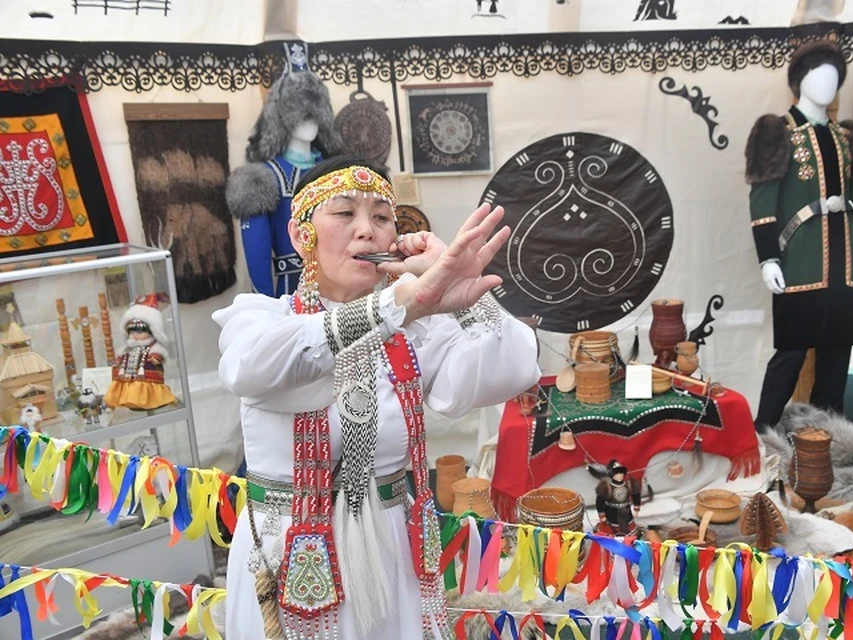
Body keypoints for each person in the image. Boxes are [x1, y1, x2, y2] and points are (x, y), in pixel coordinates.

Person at [213, 156, 540, 640]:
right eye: (344, 213)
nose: (367, 231)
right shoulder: (264, 318)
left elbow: (511, 368)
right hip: (292, 551)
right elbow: (254, 367)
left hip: (391, 547)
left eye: (382, 217)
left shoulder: (414, 332)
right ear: (304, 234)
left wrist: (462, 292)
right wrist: (397, 305)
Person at [744, 39, 853, 429]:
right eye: (818, 75)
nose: (827, 85)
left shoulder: (845, 138)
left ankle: (824, 439)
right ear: (799, 81)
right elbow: (762, 203)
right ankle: (762, 434)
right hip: (800, 260)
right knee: (791, 354)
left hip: (844, 264)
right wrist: (768, 258)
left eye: (834, 78)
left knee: (836, 359)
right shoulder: (777, 133)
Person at [226, 42, 342, 298]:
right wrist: (266, 306)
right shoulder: (263, 179)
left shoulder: (335, 173)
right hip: (291, 293)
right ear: (282, 118)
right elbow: (257, 252)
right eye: (302, 115)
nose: (309, 123)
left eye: (314, 115)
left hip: (342, 290)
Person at [104, 294, 177, 411]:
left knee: (147, 389)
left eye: (139, 332)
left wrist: (156, 358)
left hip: (147, 377)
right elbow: (121, 358)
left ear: (152, 332)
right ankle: (128, 400)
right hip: (129, 376)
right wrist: (117, 363)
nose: (135, 335)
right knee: (129, 389)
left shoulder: (153, 348)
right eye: (131, 332)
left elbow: (159, 355)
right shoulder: (128, 348)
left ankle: (151, 400)